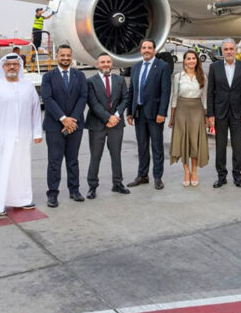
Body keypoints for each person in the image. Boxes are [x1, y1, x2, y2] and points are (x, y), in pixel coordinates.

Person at [0, 53, 42, 215]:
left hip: (23, 136)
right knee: (0, 169)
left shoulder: (28, 86)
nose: (12, 67)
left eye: (15, 64)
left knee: (21, 168)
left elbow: (35, 110)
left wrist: (37, 132)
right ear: (2, 67)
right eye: (8, 64)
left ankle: (22, 199)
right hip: (1, 137)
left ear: (20, 67)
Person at [41, 44, 87, 207]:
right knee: (54, 161)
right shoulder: (48, 77)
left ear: (71, 56)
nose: (66, 58)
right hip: (54, 126)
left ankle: (74, 190)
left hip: (75, 126)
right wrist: (63, 119)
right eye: (62, 55)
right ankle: (52, 193)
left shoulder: (80, 76)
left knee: (73, 160)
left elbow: (83, 98)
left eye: (68, 55)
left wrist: (72, 120)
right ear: (57, 57)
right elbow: (48, 99)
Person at [126, 39, 170, 190]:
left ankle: (158, 177)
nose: (146, 50)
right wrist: (129, 112)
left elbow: (165, 91)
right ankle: (142, 175)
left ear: (154, 50)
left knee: (157, 146)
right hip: (138, 113)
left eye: (149, 48)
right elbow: (131, 90)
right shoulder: (136, 67)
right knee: (142, 146)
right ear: (141, 50)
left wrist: (162, 112)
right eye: (144, 48)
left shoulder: (162, 66)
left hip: (155, 113)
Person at [207, 39, 241, 188]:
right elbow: (210, 93)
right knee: (220, 146)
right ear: (222, 51)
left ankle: (237, 176)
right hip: (220, 112)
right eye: (226, 49)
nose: (229, 52)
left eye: (231, 49)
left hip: (238, 114)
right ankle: (221, 176)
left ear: (236, 50)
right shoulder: (214, 67)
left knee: (237, 147)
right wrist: (210, 114)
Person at [85, 53, 130, 199]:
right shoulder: (90, 81)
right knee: (95, 156)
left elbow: (125, 98)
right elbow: (93, 103)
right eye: (102, 62)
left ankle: (117, 183)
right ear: (97, 64)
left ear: (112, 64)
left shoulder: (120, 80)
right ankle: (92, 186)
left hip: (116, 124)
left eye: (108, 62)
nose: (105, 64)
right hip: (97, 124)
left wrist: (116, 116)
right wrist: (107, 117)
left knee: (116, 155)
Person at [169, 50, 209, 187]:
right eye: (188, 58)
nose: (191, 61)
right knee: (183, 142)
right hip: (181, 110)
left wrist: (206, 116)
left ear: (197, 61)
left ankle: (194, 171)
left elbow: (204, 98)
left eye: (193, 58)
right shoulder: (178, 77)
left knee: (195, 142)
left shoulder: (203, 76)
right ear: (184, 61)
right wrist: (172, 117)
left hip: (197, 110)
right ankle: (186, 172)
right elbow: (174, 97)